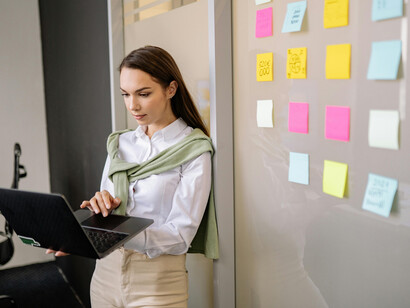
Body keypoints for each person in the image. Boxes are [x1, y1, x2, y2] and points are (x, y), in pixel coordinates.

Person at [47, 45, 218, 307]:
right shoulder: (120, 144)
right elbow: (108, 210)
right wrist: (93, 217)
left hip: (158, 283)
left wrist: (118, 233)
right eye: (125, 94)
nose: (132, 105)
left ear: (171, 89)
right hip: (105, 273)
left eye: (143, 94)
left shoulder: (194, 149)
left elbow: (181, 233)